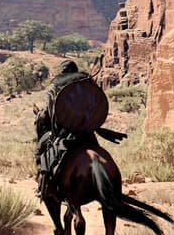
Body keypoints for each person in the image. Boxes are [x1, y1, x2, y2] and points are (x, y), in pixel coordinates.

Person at [35, 60, 127, 198]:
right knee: (98, 149)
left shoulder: (55, 84)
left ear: (63, 71)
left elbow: (50, 110)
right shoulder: (86, 81)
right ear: (75, 70)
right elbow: (96, 102)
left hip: (64, 132)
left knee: (43, 151)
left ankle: (45, 186)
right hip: (87, 130)